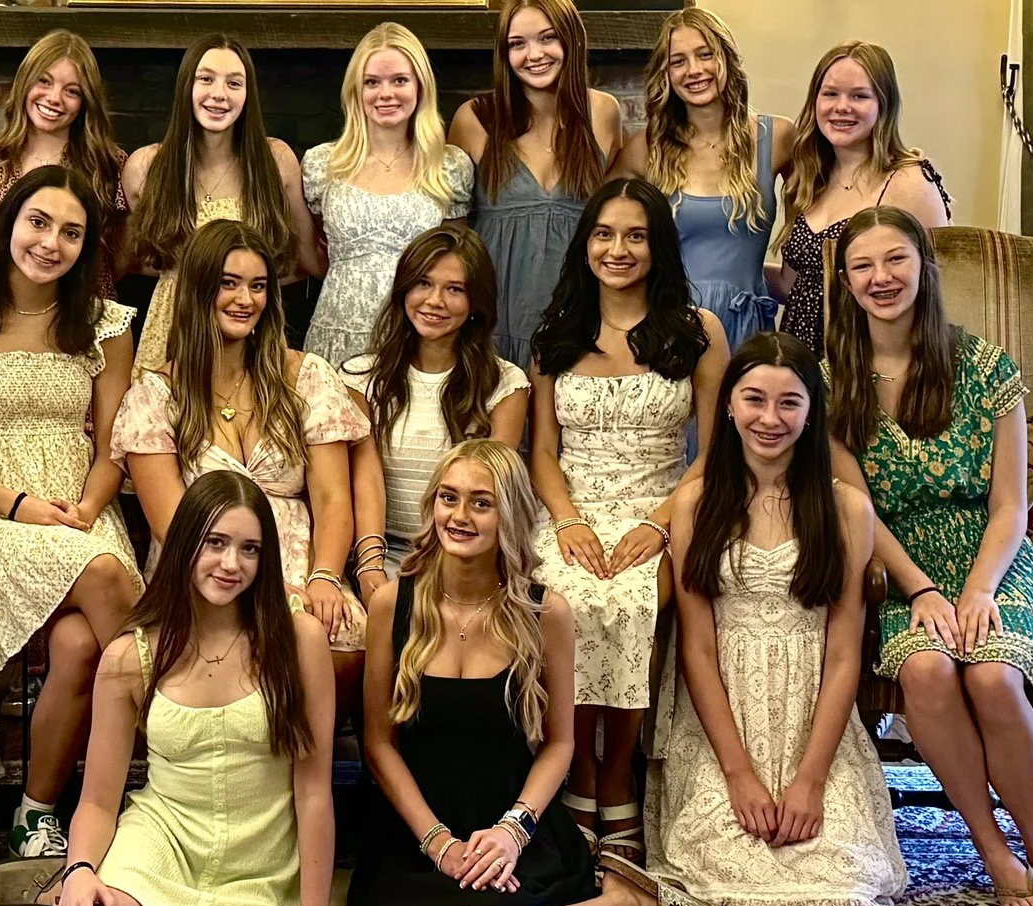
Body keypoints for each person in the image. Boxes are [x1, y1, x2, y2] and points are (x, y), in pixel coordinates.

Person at [0, 473, 354, 906]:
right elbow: (99, 800)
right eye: (214, 543)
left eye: (249, 549)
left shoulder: (299, 640)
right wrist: (80, 873)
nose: (231, 564)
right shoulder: (131, 655)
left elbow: (312, 793)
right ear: (184, 543)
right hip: (161, 842)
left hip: (257, 869)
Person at [825, 206, 1033, 906]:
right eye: (862, 265)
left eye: (894, 259)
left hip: (997, 560)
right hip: (901, 565)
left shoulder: (988, 366)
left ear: (923, 266)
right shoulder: (835, 384)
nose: (880, 277)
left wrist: (978, 588)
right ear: (846, 282)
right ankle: (993, 850)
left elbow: (1009, 506)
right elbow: (858, 509)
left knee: (991, 674)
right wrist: (924, 589)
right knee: (927, 672)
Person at [352, 440, 669, 906]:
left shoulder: (546, 611)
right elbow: (379, 744)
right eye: (448, 498)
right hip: (416, 829)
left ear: (511, 515)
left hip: (512, 822)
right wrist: (437, 842)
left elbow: (560, 745)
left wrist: (511, 831)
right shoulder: (392, 604)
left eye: (481, 502)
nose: (459, 515)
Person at [0, 167, 142, 862]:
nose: (50, 242)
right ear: (7, 221)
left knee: (77, 644)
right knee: (102, 574)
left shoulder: (106, 324)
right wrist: (17, 505)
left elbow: (114, 445)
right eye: (38, 222)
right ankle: (191, 736)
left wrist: (89, 505)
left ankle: (36, 811)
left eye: (71, 232)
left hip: (78, 510)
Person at [652, 332, 908, 906]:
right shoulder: (695, 503)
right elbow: (698, 650)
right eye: (754, 400)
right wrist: (738, 775)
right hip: (724, 718)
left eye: (789, 403)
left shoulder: (846, 509)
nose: (770, 419)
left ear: (812, 411)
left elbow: (845, 652)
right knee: (731, 876)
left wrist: (812, 780)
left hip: (811, 719)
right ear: (730, 407)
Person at [529, 175, 725, 858]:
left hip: (661, 505)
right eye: (604, 234)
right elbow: (543, 451)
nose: (618, 249)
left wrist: (663, 520)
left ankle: (620, 781)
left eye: (635, 235)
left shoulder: (698, 332)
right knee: (569, 601)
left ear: (658, 245)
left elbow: (714, 448)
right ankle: (577, 775)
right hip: (573, 510)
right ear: (586, 244)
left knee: (636, 598)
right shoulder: (557, 332)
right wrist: (566, 520)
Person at [113, 221, 368, 665]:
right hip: (204, 570)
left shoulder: (307, 377)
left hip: (300, 564)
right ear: (197, 290)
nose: (245, 299)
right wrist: (263, 591)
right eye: (228, 284)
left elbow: (331, 497)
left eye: (258, 286)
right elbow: (172, 526)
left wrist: (325, 576)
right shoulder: (154, 396)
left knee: (345, 635)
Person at [343, 224, 527, 597]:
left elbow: (491, 494)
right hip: (382, 551)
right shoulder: (359, 378)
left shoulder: (506, 384)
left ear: (476, 302)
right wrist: (370, 566)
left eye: (454, 289)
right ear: (404, 289)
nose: (435, 301)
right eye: (423, 283)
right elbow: (366, 480)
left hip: (469, 552)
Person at [451, 0, 621, 367]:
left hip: (580, 315)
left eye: (547, 38)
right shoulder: (475, 119)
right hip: (492, 317)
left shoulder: (603, 113)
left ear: (570, 40)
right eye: (517, 44)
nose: (534, 54)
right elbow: (453, 230)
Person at [122, 34, 316, 371]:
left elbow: (305, 257)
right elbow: (131, 259)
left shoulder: (276, 161)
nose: (219, 94)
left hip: (250, 324)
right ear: (187, 87)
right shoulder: (146, 167)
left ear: (247, 94)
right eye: (206, 79)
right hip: (174, 326)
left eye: (234, 83)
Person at [299, 24, 473, 366]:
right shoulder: (323, 164)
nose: (385, 93)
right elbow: (313, 250)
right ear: (356, 90)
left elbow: (458, 263)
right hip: (336, 331)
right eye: (372, 82)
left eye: (399, 80)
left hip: (417, 336)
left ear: (420, 86)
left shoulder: (449, 166)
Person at [616, 8, 792, 345]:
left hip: (747, 326)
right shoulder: (648, 148)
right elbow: (598, 223)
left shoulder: (778, 138)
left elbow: (829, 199)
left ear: (726, 58)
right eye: (678, 61)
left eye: (705, 55)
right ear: (665, 74)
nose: (694, 70)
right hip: (670, 325)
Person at [772, 42, 949, 356]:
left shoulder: (909, 181)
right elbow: (792, 284)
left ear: (884, 104)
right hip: (799, 364)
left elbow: (938, 291)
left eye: (859, 96)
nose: (842, 107)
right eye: (830, 94)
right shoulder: (809, 179)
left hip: (862, 363)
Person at [0, 29, 129, 277]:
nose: (54, 98)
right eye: (44, 81)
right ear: (25, 83)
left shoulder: (109, 165)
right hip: (0, 304)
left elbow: (121, 260)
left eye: (72, 91)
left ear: (86, 101)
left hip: (83, 307)